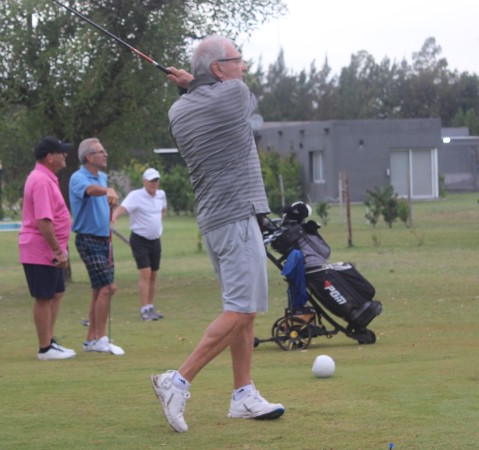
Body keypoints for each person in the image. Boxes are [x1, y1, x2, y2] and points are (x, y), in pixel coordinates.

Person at [150, 36, 285, 433]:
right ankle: (177, 381)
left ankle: (243, 394)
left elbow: (203, 98)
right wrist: (195, 82)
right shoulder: (235, 94)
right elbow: (238, 97)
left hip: (217, 221)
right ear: (219, 69)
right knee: (241, 310)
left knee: (244, 309)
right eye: (238, 60)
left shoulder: (178, 110)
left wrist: (191, 86)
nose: (244, 67)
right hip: (237, 216)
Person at [19, 137, 76, 361]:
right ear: (49, 157)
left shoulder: (46, 178)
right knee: (43, 297)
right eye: (61, 152)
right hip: (40, 249)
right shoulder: (41, 181)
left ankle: (50, 341)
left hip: (49, 249)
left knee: (56, 292)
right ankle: (45, 348)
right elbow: (43, 221)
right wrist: (57, 251)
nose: (65, 155)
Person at [69, 138, 124, 355]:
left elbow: (101, 197)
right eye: (101, 152)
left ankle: (91, 340)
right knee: (108, 287)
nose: (105, 154)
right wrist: (107, 190)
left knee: (98, 291)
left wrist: (110, 207)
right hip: (88, 239)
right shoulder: (78, 177)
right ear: (89, 157)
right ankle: (101, 338)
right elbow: (90, 191)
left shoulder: (102, 176)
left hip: (104, 239)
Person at [111, 168, 167, 321]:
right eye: (151, 181)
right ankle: (144, 309)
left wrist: (158, 223)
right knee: (145, 273)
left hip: (155, 239)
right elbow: (122, 208)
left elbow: (163, 209)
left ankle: (150, 307)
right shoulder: (135, 195)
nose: (154, 184)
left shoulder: (161, 195)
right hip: (139, 239)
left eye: (156, 181)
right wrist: (114, 216)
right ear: (144, 182)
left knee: (153, 274)